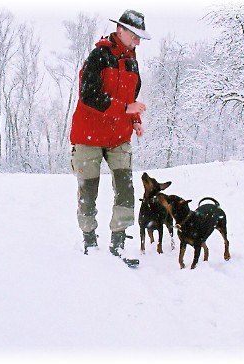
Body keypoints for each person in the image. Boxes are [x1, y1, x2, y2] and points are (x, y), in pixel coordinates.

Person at [70, 9, 151, 260]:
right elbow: (89, 97)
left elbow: (131, 98)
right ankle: (89, 239)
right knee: (88, 190)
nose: (138, 42)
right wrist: (126, 109)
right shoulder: (98, 56)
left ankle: (118, 241)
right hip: (89, 136)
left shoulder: (133, 62)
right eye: (135, 36)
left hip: (119, 137)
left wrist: (134, 119)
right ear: (121, 30)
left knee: (126, 189)